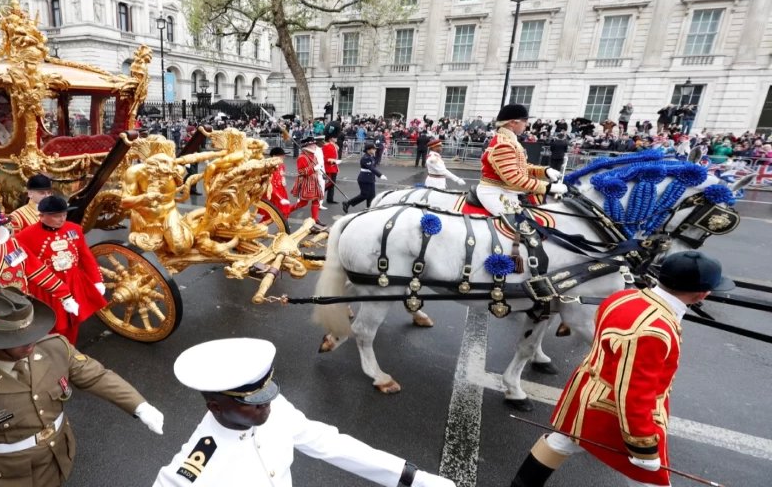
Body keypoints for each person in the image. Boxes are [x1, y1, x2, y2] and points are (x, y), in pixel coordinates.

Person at [508, 251, 733, 487]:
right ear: (702, 294)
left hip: (588, 391)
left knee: (561, 441)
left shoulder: (622, 298)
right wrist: (643, 445)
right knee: (650, 478)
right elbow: (634, 394)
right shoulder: (655, 330)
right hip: (617, 410)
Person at [0, 289, 164, 486]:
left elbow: (96, 376)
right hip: (6, 477)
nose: (31, 344)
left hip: (57, 457)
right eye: (20, 340)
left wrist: (139, 406)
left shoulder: (55, 348)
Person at [152, 338, 455, 487]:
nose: (266, 404)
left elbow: (329, 444)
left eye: (267, 393)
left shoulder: (273, 409)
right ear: (215, 407)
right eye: (253, 401)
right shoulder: (193, 470)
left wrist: (413, 477)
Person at [16, 195, 107, 344]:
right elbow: (24, 266)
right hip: (47, 289)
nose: (62, 219)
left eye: (64, 214)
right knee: (53, 324)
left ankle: (70, 350)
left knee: (74, 320)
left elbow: (86, 256)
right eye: (57, 216)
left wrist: (97, 280)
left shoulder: (75, 229)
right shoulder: (25, 236)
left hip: (73, 282)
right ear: (42, 216)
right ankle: (53, 351)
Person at [476, 105, 566, 216]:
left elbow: (521, 168)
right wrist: (548, 187)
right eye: (525, 120)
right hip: (495, 192)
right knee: (522, 226)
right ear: (513, 122)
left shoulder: (510, 140)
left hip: (507, 190)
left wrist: (544, 171)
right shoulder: (503, 144)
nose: (527, 124)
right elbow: (514, 178)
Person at [290, 137, 325, 229]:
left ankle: (315, 219)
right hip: (306, 182)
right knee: (303, 203)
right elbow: (301, 172)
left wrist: (320, 172)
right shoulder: (302, 157)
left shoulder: (314, 155)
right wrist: (313, 168)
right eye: (313, 145)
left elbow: (317, 167)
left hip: (314, 180)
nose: (315, 146)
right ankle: (286, 211)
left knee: (316, 200)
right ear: (307, 146)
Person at [342, 142, 385, 213]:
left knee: (371, 195)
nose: (375, 150)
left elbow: (377, 160)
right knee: (364, 195)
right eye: (373, 149)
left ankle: (369, 209)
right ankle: (347, 203)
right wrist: (380, 175)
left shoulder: (371, 156)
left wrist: (380, 149)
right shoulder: (365, 158)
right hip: (364, 179)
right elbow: (371, 168)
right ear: (368, 150)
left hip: (370, 178)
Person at [264, 147, 292, 220]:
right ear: (275, 156)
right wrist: (279, 197)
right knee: (270, 215)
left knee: (285, 211)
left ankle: (285, 228)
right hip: (273, 194)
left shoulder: (282, 166)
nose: (284, 157)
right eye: (282, 155)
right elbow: (270, 185)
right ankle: (259, 228)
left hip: (282, 191)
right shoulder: (270, 168)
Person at [322, 134, 341, 204]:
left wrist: (335, 161)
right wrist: (332, 161)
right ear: (330, 138)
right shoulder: (327, 146)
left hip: (334, 166)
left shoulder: (334, 146)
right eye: (334, 136)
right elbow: (325, 158)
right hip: (329, 167)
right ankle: (319, 193)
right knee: (330, 183)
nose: (336, 138)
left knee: (332, 184)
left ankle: (330, 199)